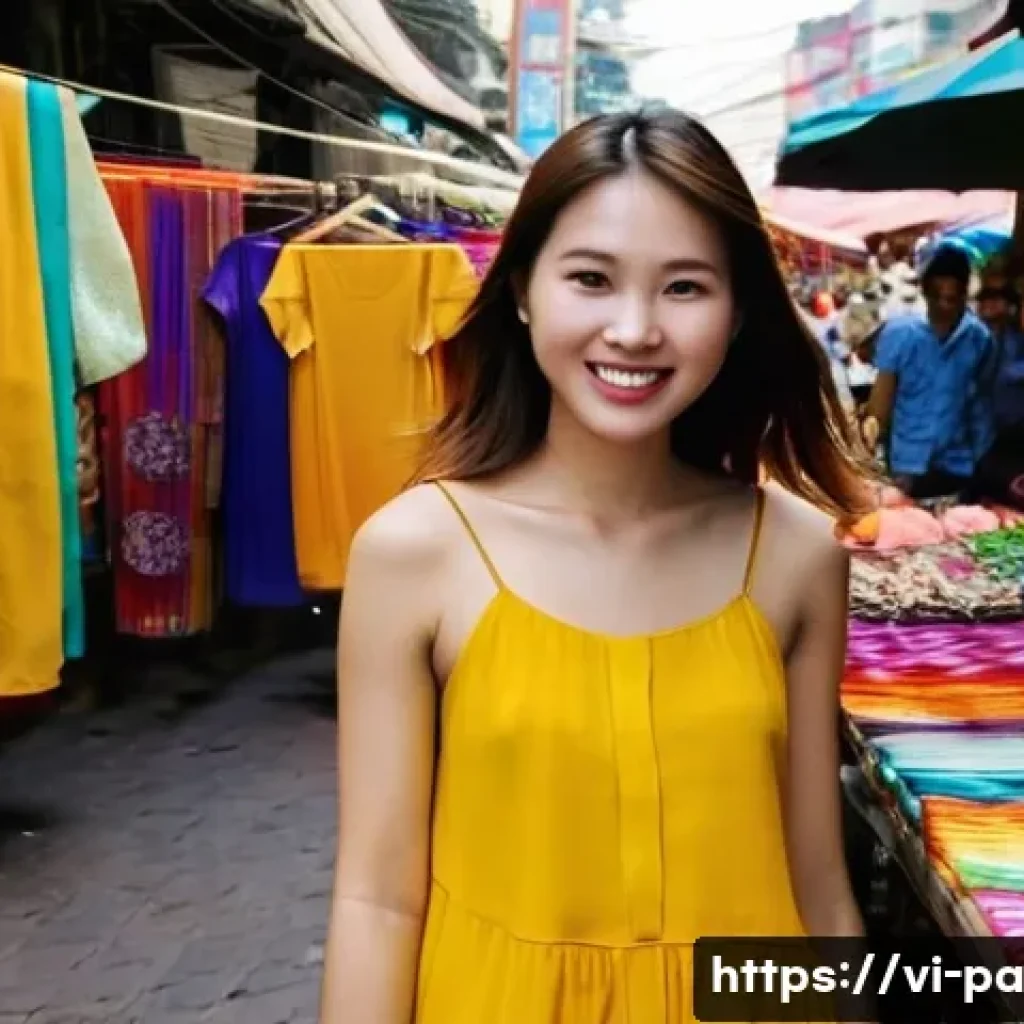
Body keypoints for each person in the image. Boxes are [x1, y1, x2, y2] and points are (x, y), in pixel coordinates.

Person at [321, 110, 869, 1024]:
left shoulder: (796, 553)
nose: (634, 328)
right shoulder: (414, 553)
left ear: (737, 314)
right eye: (590, 278)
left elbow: (818, 887)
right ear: (525, 290)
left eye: (685, 288)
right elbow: (378, 901)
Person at [863, 245, 995, 499]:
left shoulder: (979, 339)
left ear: (964, 294)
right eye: (937, 296)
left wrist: (982, 461)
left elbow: (980, 405)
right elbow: (881, 403)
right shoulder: (900, 333)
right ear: (925, 290)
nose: (944, 305)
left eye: (952, 298)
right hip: (907, 467)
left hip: (958, 465)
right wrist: (870, 446)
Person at [974, 283, 1024, 506]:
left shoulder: (1016, 342)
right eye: (985, 298)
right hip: (976, 435)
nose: (989, 304)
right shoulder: (970, 337)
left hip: (1011, 439)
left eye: (997, 298)